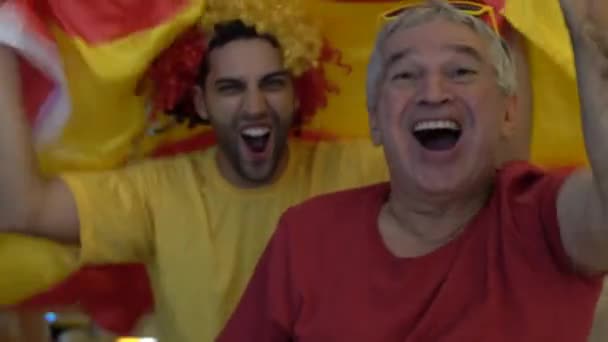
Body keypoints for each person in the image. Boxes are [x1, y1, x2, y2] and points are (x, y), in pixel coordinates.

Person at [217, 1, 608, 341]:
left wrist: (597, 58)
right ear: (374, 119)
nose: (433, 92)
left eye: (461, 72)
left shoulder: (543, 221)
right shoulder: (305, 236)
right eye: (406, 75)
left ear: (509, 112)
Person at [0, 0, 390, 340]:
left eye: (272, 83)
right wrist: (10, 32)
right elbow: (23, 210)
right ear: (202, 103)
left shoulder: (353, 171)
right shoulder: (160, 194)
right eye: (231, 88)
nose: (254, 106)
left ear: (297, 93)